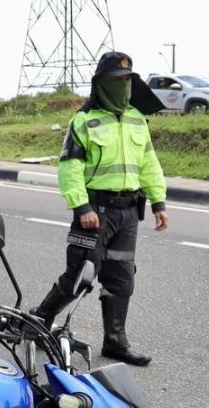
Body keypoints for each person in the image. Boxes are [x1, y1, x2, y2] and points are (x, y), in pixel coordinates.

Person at [31, 51, 169, 366]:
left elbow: (149, 164)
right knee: (80, 275)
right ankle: (39, 322)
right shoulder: (84, 121)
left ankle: (116, 342)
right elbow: (70, 169)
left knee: (122, 279)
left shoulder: (137, 119)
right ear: (101, 83)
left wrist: (158, 202)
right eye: (116, 80)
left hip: (128, 212)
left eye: (128, 80)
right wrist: (81, 206)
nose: (123, 85)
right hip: (95, 211)